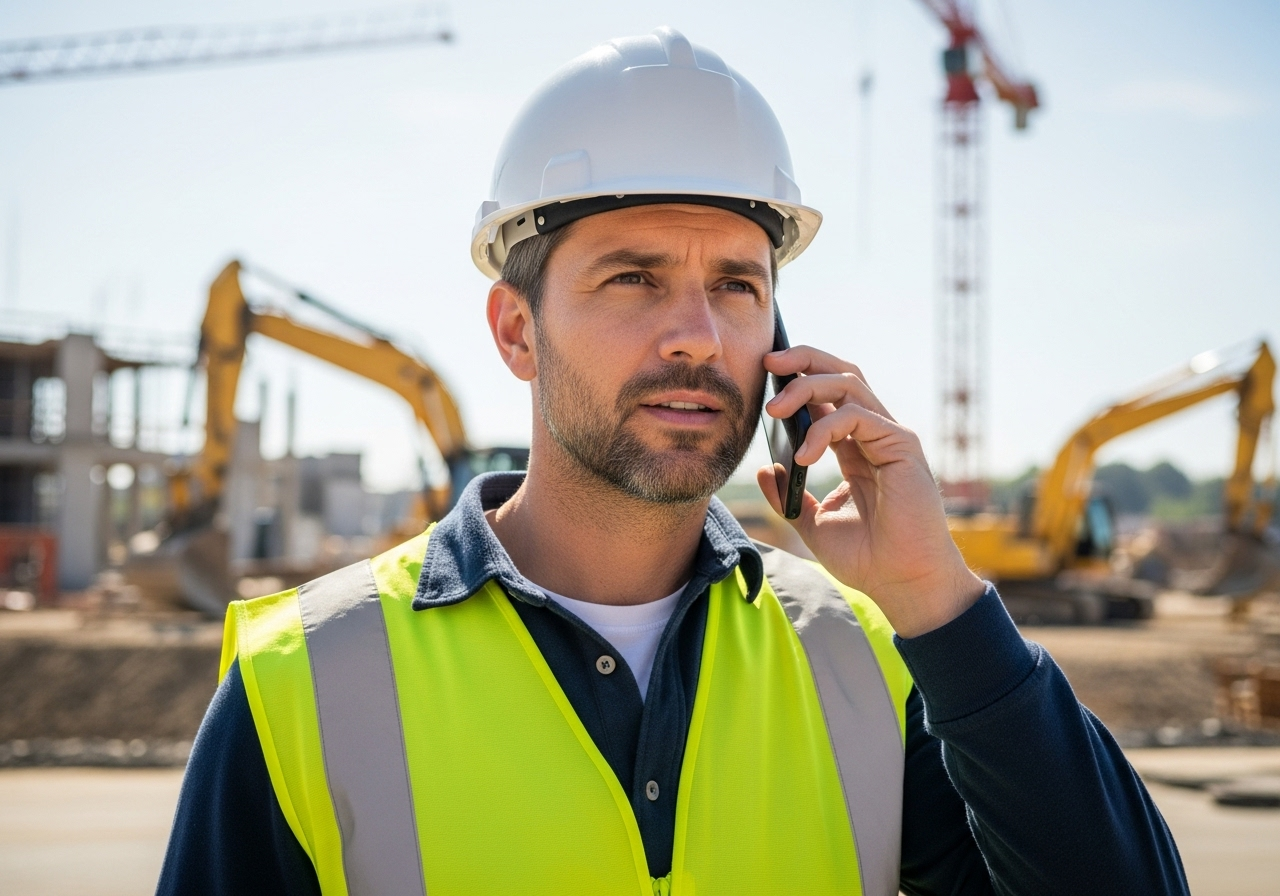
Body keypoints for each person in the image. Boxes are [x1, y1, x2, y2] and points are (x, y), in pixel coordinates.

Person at [158, 27, 1188, 896]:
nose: (695, 333)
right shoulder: (301, 685)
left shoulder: (873, 665)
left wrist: (939, 600)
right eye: (633, 277)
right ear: (515, 330)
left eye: (737, 284)